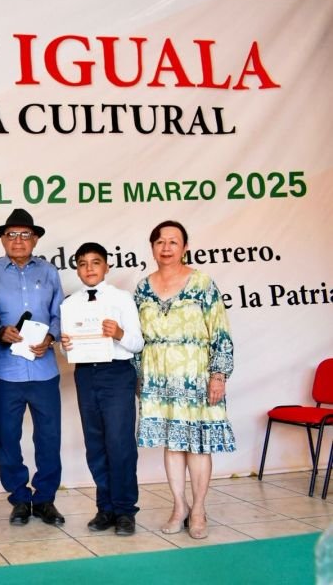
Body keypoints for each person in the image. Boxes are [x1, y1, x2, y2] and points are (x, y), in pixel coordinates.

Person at [134, 220, 235, 540]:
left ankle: (199, 509)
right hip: (157, 376)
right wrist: (138, 376)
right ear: (152, 247)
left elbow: (220, 331)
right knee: (173, 444)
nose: (166, 248)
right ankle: (179, 507)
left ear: (185, 247)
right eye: (160, 242)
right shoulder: (142, 287)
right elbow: (136, 338)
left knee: (198, 445)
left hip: (196, 375)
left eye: (173, 242)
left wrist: (218, 375)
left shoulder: (203, 283)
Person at [0, 208, 65, 527]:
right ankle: (19, 498)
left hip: (44, 370)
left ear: (35, 239)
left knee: (49, 437)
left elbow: (59, 313)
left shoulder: (49, 272)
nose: (18, 240)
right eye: (11, 235)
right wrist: (1, 331)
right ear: (2, 240)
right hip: (4, 370)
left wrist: (51, 337)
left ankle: (45, 499)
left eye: (25, 234)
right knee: (7, 438)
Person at [60, 242, 144, 536]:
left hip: (116, 373)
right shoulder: (70, 304)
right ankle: (105, 508)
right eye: (82, 264)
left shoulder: (122, 299)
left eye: (95, 262)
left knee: (120, 444)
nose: (89, 268)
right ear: (77, 270)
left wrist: (118, 333)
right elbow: (67, 346)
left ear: (106, 266)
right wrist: (65, 345)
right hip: (86, 373)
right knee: (95, 444)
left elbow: (137, 343)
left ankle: (125, 510)